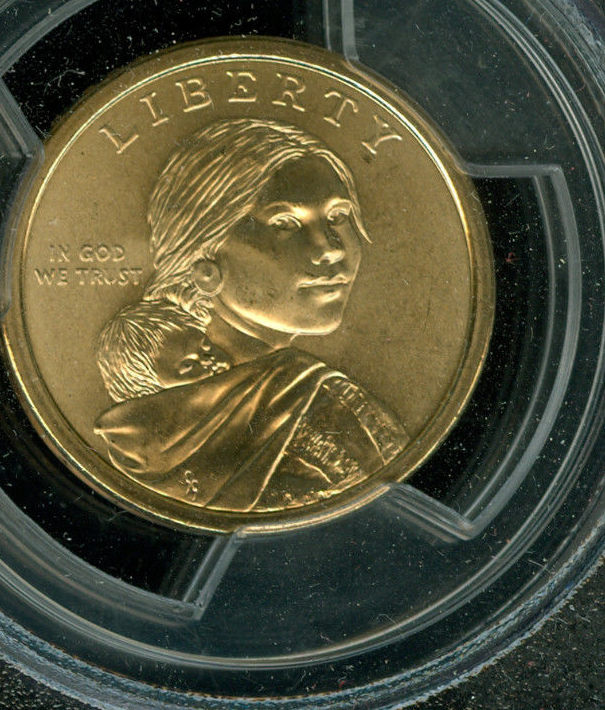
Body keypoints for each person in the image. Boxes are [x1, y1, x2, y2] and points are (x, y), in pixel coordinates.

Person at [94, 115, 406, 514]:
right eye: (285, 223)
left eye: (338, 217)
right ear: (204, 261)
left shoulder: (131, 430)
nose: (331, 248)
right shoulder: (331, 409)